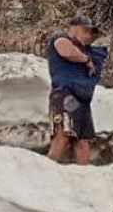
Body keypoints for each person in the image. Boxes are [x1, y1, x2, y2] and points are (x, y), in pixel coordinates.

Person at [46, 16, 107, 166]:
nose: (89, 36)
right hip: (65, 94)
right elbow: (66, 50)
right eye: (85, 30)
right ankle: (46, 172)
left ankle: (83, 177)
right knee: (63, 136)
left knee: (83, 141)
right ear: (74, 27)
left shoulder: (91, 51)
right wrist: (85, 60)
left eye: (93, 33)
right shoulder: (61, 38)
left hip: (83, 100)